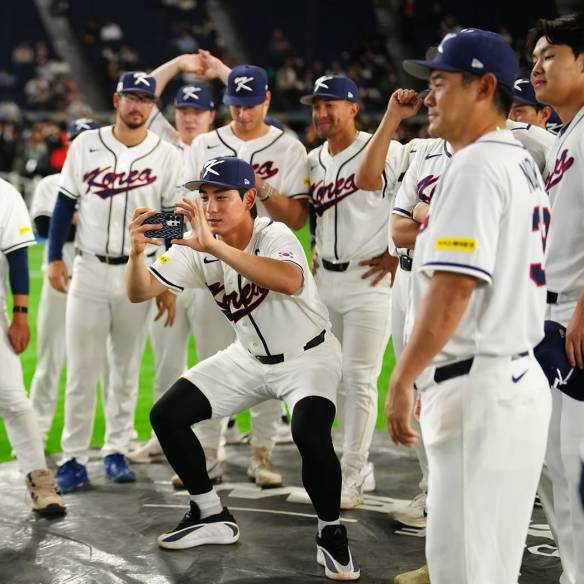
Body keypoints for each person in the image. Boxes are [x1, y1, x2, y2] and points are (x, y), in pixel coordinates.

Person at [125, 156, 359, 581]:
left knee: (309, 433)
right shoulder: (194, 245)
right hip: (247, 358)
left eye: (222, 197)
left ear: (249, 199)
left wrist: (214, 246)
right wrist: (137, 253)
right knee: (167, 415)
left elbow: (289, 280)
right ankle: (210, 513)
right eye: (204, 197)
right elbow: (140, 292)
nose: (210, 207)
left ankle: (331, 532)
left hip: (308, 356)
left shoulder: (273, 233)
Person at [387, 29, 552, 584]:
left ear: (483, 88)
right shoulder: (518, 159)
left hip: (477, 385)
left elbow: (453, 288)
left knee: (463, 569)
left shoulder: (477, 165)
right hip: (512, 379)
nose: (429, 97)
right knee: (490, 566)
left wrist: (403, 377)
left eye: (440, 82)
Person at [47, 71, 183, 493]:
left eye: (145, 98)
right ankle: (73, 457)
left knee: (126, 366)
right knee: (82, 368)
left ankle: (116, 449)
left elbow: (173, 223)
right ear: (116, 100)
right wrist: (53, 256)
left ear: (153, 106)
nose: (137, 105)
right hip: (88, 267)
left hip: (137, 272)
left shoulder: (167, 154)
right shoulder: (87, 144)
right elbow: (64, 201)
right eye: (131, 97)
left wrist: (166, 279)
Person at [178, 58, 310, 488]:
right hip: (212, 263)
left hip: (264, 257)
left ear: (267, 100)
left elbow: (297, 218)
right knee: (210, 356)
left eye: (250, 103)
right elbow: (188, 209)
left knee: (269, 354)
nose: (242, 111)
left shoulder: (287, 147)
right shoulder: (204, 144)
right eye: (236, 103)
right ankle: (209, 453)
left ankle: (262, 451)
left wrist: (262, 188)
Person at [300, 74, 414, 509]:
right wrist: (316, 247)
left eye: (330, 104)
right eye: (317, 106)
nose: (322, 113)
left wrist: (396, 252)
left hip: (371, 283)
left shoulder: (387, 148)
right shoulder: (313, 159)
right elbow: (319, 214)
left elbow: (419, 196)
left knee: (360, 378)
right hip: (325, 282)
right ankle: (350, 466)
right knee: (327, 377)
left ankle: (353, 471)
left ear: (352, 108)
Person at [127, 58, 218, 467]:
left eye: (197, 111)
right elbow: (146, 88)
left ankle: (214, 444)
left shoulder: (221, 147)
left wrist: (219, 69)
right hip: (169, 264)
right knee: (166, 357)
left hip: (211, 268)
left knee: (215, 357)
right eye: (182, 110)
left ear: (212, 115)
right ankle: (161, 438)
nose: (189, 118)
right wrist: (178, 64)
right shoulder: (162, 141)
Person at [528, 13, 584, 584]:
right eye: (534, 58)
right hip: (550, 314)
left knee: (578, 461)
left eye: (551, 55)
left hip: (576, 313)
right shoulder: (567, 134)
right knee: (553, 463)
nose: (538, 67)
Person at [29, 118, 100, 442]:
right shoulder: (51, 182)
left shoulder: (112, 185)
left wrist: (73, 219)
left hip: (98, 276)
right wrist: (90, 221)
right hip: (60, 275)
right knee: (50, 357)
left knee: (104, 363)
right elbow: (45, 227)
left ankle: (113, 439)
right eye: (74, 141)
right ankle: (37, 430)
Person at [0, 177, 66, 517]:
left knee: (13, 397)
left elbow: (17, 257)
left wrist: (20, 315)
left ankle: (40, 480)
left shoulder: (4, 194)